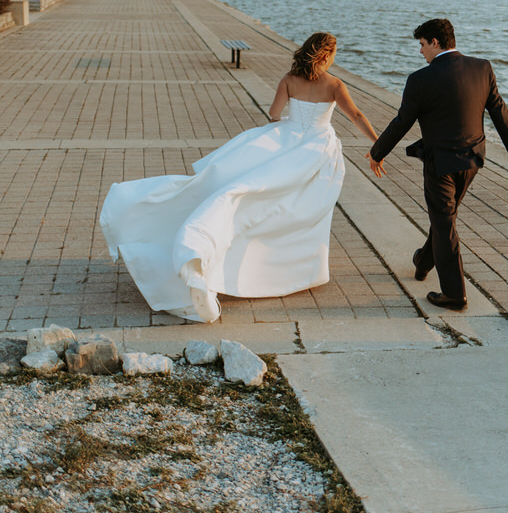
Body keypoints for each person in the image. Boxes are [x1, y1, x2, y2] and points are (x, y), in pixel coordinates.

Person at [100, 32, 379, 323]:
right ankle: (298, 270)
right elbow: (356, 115)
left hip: (286, 139)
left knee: (243, 192)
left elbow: (273, 114)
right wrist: (377, 145)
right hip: (316, 150)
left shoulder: (289, 79)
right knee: (302, 208)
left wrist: (287, 128)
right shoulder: (334, 84)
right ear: (326, 55)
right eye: (334, 54)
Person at [367, 18, 508, 312]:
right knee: (445, 219)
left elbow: (403, 122)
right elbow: (498, 109)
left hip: (440, 163)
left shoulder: (419, 79)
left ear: (435, 42)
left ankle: (454, 294)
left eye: (422, 44)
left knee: (444, 222)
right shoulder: (482, 68)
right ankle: (424, 260)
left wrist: (377, 152)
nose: (421, 51)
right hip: (473, 159)